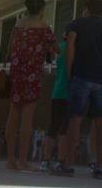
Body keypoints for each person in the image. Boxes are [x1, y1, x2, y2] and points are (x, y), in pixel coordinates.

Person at [56, 0, 102, 179]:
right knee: (101, 121)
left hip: (81, 76)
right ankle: (99, 166)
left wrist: (69, 73)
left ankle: (67, 164)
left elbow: (70, 48)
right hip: (101, 79)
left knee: (75, 119)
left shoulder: (76, 24)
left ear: (86, 9)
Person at [3, 0, 57, 171]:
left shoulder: (19, 25)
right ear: (41, 10)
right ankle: (23, 160)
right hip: (33, 73)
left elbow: (11, 48)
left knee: (13, 114)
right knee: (27, 117)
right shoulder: (43, 28)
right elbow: (55, 49)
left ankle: (10, 159)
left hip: (17, 71)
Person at [43, 35, 70, 173]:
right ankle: (60, 161)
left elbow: (50, 58)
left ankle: (45, 160)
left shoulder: (59, 47)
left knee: (53, 126)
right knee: (65, 128)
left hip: (57, 91)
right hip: (70, 92)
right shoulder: (75, 48)